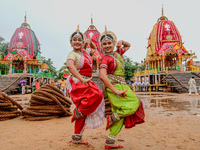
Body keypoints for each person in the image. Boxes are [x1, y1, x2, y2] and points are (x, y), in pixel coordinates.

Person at [99, 26, 145, 149]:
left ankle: (110, 142)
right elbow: (102, 76)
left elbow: (129, 45)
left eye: (110, 43)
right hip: (114, 87)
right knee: (135, 102)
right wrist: (116, 91)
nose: (107, 45)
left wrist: (122, 42)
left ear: (114, 43)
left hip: (122, 85)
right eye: (104, 44)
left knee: (121, 115)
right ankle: (112, 117)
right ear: (101, 46)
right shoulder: (105, 58)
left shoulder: (118, 53)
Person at [66, 26, 105, 145]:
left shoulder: (86, 52)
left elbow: (95, 49)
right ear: (71, 42)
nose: (77, 41)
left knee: (85, 110)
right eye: (74, 39)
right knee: (96, 94)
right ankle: (78, 111)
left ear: (83, 42)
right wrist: (82, 79)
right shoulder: (72, 54)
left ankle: (76, 137)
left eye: (80, 40)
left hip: (86, 80)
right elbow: (69, 66)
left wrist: (90, 42)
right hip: (77, 81)